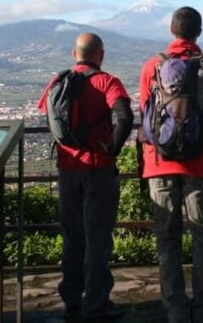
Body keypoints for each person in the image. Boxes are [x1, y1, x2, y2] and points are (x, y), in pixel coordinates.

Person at [138, 6, 203, 323]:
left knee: (167, 239)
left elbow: (146, 117)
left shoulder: (151, 67)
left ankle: (175, 309)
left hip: (159, 165)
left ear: (171, 30)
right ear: (199, 32)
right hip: (200, 166)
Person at [37, 33, 134, 322]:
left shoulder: (58, 81)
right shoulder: (107, 82)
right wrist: (113, 147)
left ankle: (71, 301)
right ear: (101, 55)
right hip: (98, 169)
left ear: (74, 54)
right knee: (98, 239)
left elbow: (50, 117)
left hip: (67, 170)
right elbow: (125, 117)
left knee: (73, 238)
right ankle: (96, 304)